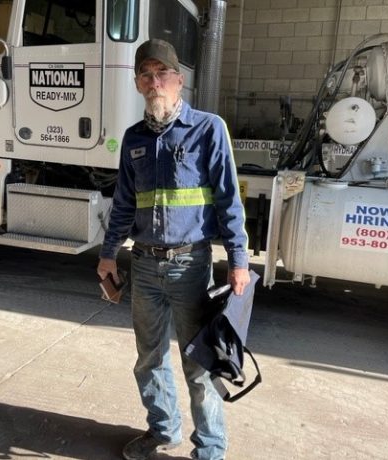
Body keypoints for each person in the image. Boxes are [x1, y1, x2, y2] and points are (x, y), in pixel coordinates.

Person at [97, 38, 250, 460]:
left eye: (161, 73)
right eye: (145, 75)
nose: (154, 82)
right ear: (137, 84)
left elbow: (228, 200)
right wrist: (109, 254)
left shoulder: (208, 128)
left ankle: (211, 449)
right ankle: (163, 430)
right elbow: (124, 203)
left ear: (179, 80)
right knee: (149, 360)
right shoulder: (133, 139)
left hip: (190, 265)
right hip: (144, 265)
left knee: (199, 365)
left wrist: (238, 261)